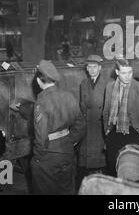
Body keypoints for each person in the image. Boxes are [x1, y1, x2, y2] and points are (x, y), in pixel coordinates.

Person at [31, 60, 86, 195]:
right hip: (67, 152)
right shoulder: (69, 96)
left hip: (48, 155)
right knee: (67, 190)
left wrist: (38, 156)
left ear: (39, 80)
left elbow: (41, 136)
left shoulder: (41, 101)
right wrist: (69, 141)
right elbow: (81, 124)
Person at [103, 59, 139, 176]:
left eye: (130, 72)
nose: (127, 76)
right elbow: (106, 112)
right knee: (113, 171)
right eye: (123, 73)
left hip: (135, 134)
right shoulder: (110, 87)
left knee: (134, 173)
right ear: (117, 72)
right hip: (114, 134)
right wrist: (107, 132)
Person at [78, 55, 106, 179]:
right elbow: (81, 104)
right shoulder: (84, 83)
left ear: (100, 68)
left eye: (95, 67)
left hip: (100, 126)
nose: (92, 69)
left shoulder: (108, 83)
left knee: (100, 161)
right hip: (87, 126)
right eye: (89, 67)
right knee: (86, 162)